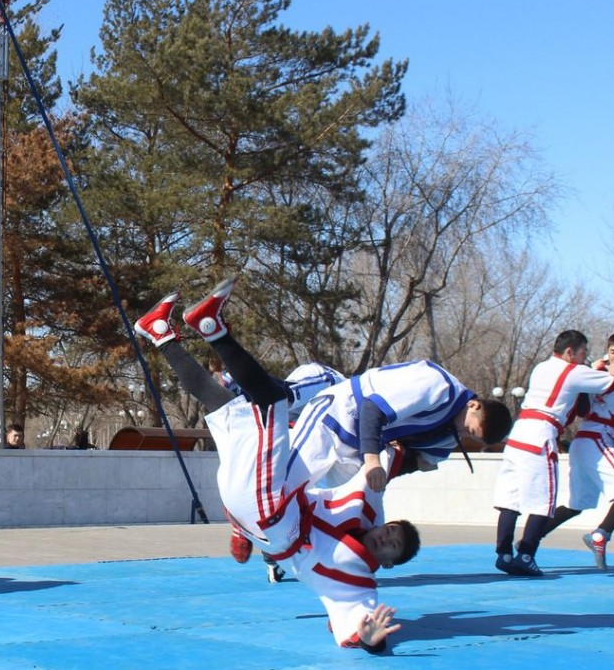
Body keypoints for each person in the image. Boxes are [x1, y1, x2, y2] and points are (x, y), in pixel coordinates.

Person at [134, 277, 420, 653]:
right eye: (392, 531)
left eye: (392, 545)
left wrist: (370, 641)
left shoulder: (357, 581)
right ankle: (157, 331)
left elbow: (355, 626)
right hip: (260, 507)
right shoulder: (365, 512)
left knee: (273, 402)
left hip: (272, 514)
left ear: (388, 563)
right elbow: (374, 475)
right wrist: (399, 453)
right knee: (223, 406)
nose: (386, 537)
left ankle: (211, 328)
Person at [492, 330, 614, 577]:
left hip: (518, 433)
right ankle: (526, 555)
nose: (584, 358)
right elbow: (612, 381)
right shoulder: (574, 371)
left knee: (510, 498)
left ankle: (504, 554)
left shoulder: (541, 367)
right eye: (583, 353)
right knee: (543, 500)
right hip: (542, 432)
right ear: (570, 352)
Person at [289, 357, 513, 494]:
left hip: (358, 449)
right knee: (287, 490)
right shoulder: (437, 384)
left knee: (351, 513)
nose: (464, 433)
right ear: (473, 405)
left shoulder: (448, 437)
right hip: (335, 418)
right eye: (470, 429)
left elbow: (413, 462)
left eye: (471, 436)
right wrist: (373, 460)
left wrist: (404, 464)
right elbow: (372, 408)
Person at [540, 332, 614, 570]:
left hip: (594, 441)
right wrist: (607, 370)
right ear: (607, 351)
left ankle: (529, 541)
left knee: (577, 504)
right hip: (595, 437)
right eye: (613, 351)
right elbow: (584, 398)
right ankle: (601, 534)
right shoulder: (595, 371)